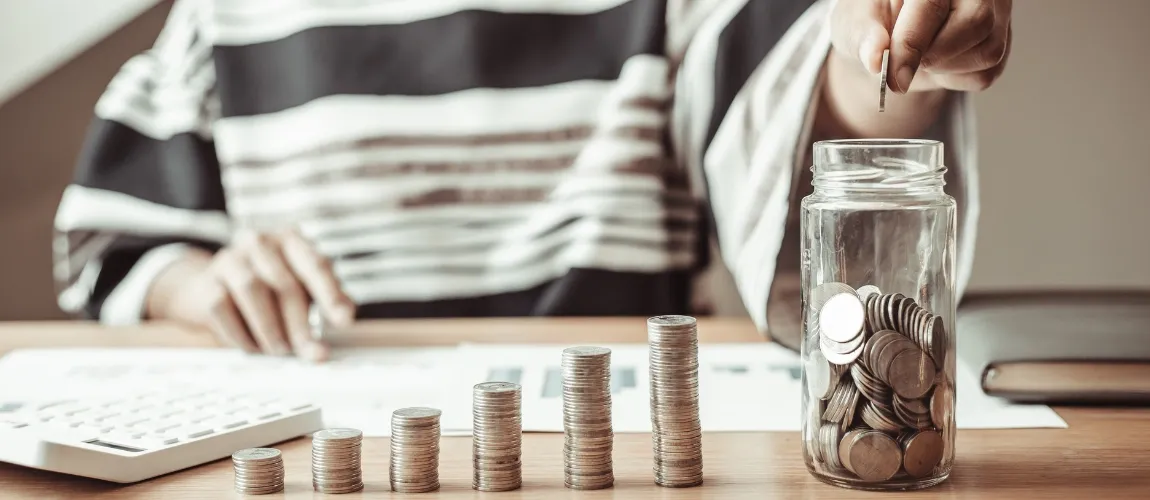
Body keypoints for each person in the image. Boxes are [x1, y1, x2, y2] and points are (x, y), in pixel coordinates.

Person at [53, 0, 1012, 360]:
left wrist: (895, 45)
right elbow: (111, 241)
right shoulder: (223, 15)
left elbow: (801, 119)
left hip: (619, 449)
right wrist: (203, 280)